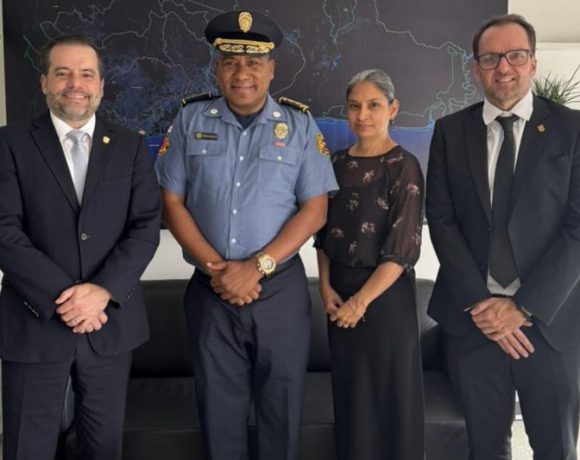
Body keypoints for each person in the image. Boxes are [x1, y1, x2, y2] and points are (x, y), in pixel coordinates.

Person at [155, 10, 337, 460]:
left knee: (282, 410)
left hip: (279, 292)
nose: (242, 73)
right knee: (218, 414)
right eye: (230, 62)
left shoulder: (299, 126)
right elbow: (171, 202)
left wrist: (256, 267)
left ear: (271, 69)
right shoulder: (189, 120)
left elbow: (315, 210)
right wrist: (219, 271)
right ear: (217, 68)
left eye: (253, 62)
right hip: (211, 292)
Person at [427, 13, 580, 460]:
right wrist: (482, 305)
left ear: (532, 63)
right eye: (491, 58)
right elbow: (442, 220)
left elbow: (577, 228)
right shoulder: (450, 131)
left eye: (515, 55)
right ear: (476, 69)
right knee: (485, 449)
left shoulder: (572, 129)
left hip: (549, 323)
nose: (503, 67)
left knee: (555, 448)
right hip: (474, 325)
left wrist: (522, 307)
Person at [0, 35, 161, 460]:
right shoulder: (9, 143)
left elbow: (145, 226)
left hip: (109, 324)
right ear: (44, 82)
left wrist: (102, 291)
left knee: (103, 448)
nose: (76, 84)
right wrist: (68, 299)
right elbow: (4, 230)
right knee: (26, 448)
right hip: (34, 323)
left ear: (101, 86)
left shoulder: (130, 146)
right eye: (63, 73)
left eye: (87, 74)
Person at [315, 69, 425, 460]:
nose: (363, 115)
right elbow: (321, 236)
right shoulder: (334, 163)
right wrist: (325, 288)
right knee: (351, 400)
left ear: (392, 109)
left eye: (373, 105)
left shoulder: (403, 165)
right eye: (355, 106)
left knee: (390, 400)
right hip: (338, 296)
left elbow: (402, 248)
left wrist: (360, 303)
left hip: (385, 299)